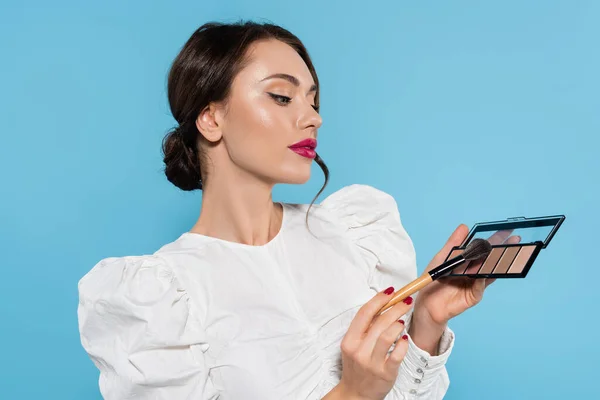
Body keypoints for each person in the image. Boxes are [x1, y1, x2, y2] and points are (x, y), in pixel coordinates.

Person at [77, 21, 494, 400]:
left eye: (312, 101)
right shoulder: (159, 302)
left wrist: (427, 322)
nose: (313, 118)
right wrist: (353, 395)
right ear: (210, 118)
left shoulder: (353, 233)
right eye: (281, 96)